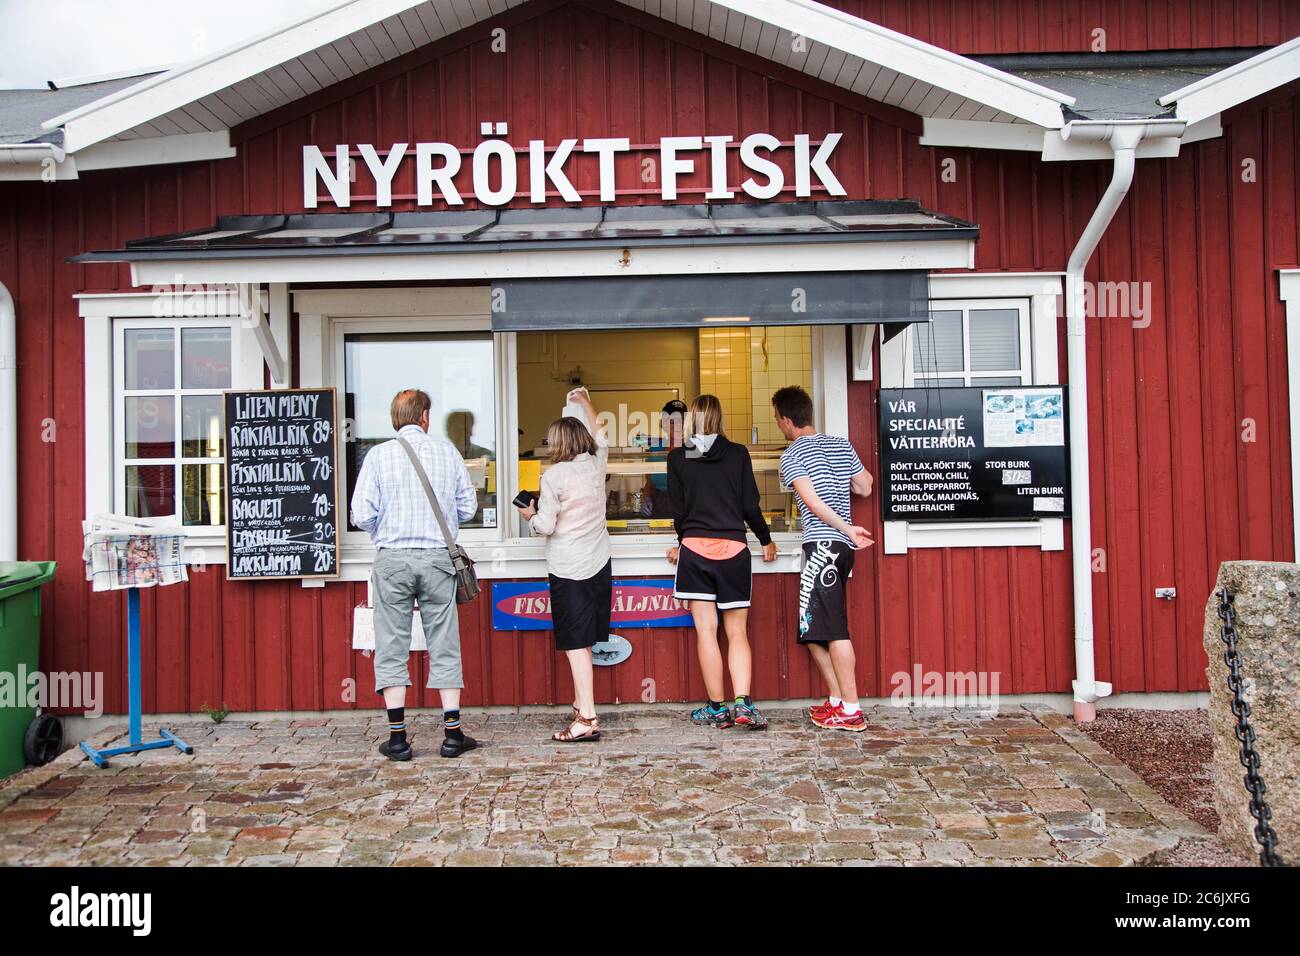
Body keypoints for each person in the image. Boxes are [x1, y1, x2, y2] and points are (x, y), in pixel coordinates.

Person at [351, 388, 480, 761]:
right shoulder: (446, 452)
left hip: (392, 559)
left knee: (391, 643)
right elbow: (468, 507)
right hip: (438, 558)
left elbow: (361, 514)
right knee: (444, 640)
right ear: (424, 416)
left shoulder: (378, 456)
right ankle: (452, 735)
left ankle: (398, 738)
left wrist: (384, 531)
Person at [666, 394, 777, 729]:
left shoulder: (678, 457)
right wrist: (766, 539)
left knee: (706, 632)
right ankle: (743, 704)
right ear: (720, 418)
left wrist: (682, 542)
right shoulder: (738, 453)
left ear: (691, 421)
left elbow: (679, 512)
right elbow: (748, 506)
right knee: (737, 632)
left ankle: (716, 707)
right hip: (733, 552)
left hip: (696, 551)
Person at [771, 385, 874, 732]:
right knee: (812, 629)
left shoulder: (792, 455)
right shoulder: (841, 444)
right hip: (840, 549)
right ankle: (837, 701)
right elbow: (865, 485)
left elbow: (812, 504)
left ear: (786, 420)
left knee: (833, 630)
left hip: (824, 547)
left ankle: (852, 709)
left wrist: (847, 528)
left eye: (777, 420)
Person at [517, 388, 610, 743]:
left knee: (575, 644)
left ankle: (587, 717)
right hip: (599, 563)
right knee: (585, 643)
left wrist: (530, 515)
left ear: (558, 442)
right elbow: (601, 432)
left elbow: (546, 526)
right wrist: (585, 400)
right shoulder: (597, 462)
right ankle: (579, 704)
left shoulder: (553, 476)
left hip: (569, 567)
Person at [642, 398, 687, 518]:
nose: (678, 425)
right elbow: (649, 483)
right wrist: (646, 497)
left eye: (681, 420)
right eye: (673, 421)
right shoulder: (655, 448)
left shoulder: (693, 449)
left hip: (686, 508)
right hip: (659, 507)